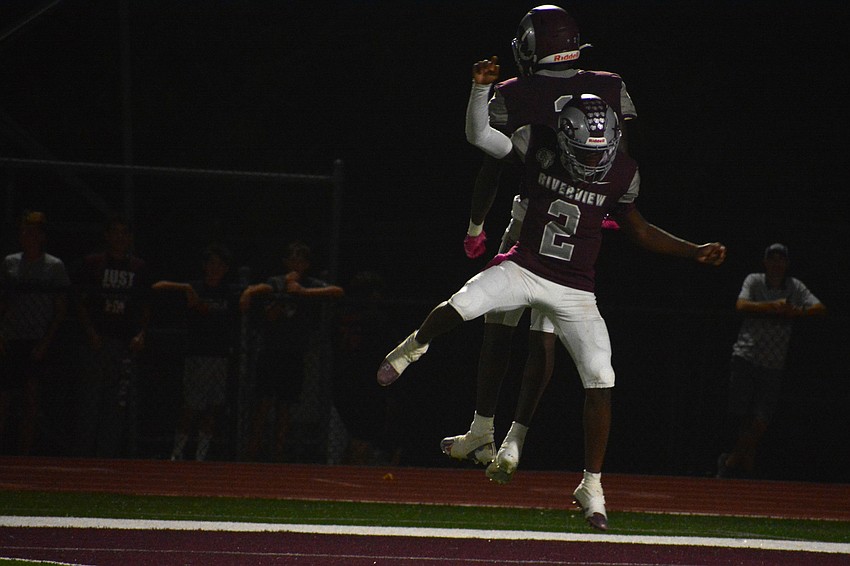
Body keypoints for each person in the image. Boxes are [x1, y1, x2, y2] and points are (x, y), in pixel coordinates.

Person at [377, 58, 726, 531]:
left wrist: (693, 250)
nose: (592, 162)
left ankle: (592, 485)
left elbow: (641, 231)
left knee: (601, 376)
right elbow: (481, 138)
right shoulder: (537, 142)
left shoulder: (622, 169)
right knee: (463, 303)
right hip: (525, 265)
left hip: (576, 288)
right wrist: (480, 91)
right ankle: (411, 348)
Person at [446, 5, 638, 486]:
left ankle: (484, 429)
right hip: (583, 228)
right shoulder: (609, 85)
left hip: (530, 223)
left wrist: (474, 228)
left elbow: (492, 162)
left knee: (499, 326)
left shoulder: (518, 93)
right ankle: (514, 438)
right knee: (545, 337)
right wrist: (605, 209)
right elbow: (619, 156)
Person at [716, 243, 826, 479]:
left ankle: (733, 459)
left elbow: (819, 308)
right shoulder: (755, 280)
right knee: (741, 412)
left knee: (762, 417)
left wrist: (796, 312)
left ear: (786, 264)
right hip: (747, 354)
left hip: (774, 360)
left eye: (781, 259)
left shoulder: (793, 286)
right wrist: (771, 307)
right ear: (765, 262)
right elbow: (741, 304)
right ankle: (745, 465)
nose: (777, 263)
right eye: (772, 259)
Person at [240, 241, 344, 462]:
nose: (297, 265)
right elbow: (269, 314)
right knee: (264, 402)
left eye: (301, 260)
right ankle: (253, 448)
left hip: (294, 352)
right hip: (271, 350)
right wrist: (281, 294)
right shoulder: (275, 282)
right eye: (293, 260)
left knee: (286, 404)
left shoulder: (310, 284)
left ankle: (278, 449)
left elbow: (337, 292)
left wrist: (303, 292)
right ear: (286, 262)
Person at [154, 244, 239, 461]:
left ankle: (201, 454)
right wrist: (186, 289)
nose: (214, 268)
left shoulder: (228, 292)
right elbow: (159, 286)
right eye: (211, 263)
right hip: (197, 355)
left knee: (213, 408)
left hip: (220, 356)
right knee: (191, 406)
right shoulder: (195, 287)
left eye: (219, 265)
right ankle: (177, 451)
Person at [75, 215, 150, 458]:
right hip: (97, 340)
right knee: (90, 400)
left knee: (116, 404)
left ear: (129, 237)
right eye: (114, 232)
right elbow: (81, 302)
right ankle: (83, 454)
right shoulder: (93, 263)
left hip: (123, 342)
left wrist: (141, 333)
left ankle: (107, 457)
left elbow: (145, 304)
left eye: (123, 233)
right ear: (107, 235)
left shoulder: (138, 267)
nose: (119, 237)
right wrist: (91, 332)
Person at [0, 211, 70, 455]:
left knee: (31, 400)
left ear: (41, 236)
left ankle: (24, 456)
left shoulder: (54, 266)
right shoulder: (10, 262)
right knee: (4, 400)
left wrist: (46, 341)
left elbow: (60, 309)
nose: (27, 236)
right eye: (23, 231)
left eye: (32, 231)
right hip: (11, 337)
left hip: (37, 338)